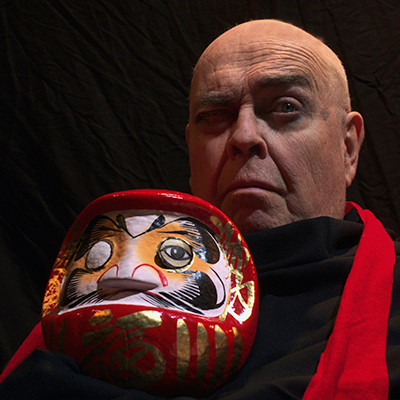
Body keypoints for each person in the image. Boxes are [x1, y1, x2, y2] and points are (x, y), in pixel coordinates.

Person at [0, 19, 399, 400]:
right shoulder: (97, 293)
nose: (243, 136)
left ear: (348, 147)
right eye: (214, 116)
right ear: (191, 154)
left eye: (285, 107)